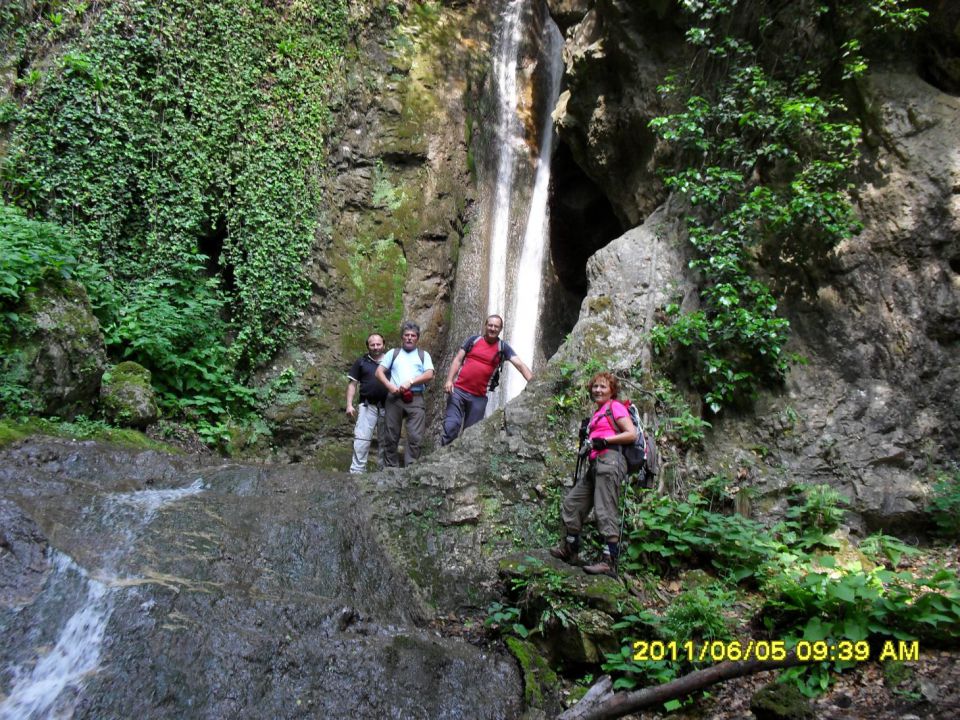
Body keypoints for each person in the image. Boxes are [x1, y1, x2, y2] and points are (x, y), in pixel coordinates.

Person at [550, 371, 637, 577]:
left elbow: (631, 434)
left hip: (610, 461)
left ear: (612, 390)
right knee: (573, 503)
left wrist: (605, 441)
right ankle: (570, 549)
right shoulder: (598, 412)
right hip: (596, 464)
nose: (598, 390)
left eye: (603, 387)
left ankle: (609, 561)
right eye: (595, 386)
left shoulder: (615, 407)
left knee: (605, 509)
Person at [441, 314, 533, 446]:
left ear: (500, 329)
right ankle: (442, 461)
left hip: (478, 398)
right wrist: (449, 380)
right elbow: (458, 359)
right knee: (450, 427)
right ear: (485, 326)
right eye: (490, 325)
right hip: (458, 392)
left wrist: (535, 383)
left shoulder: (503, 348)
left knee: (470, 436)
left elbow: (519, 365)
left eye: (496, 326)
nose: (493, 328)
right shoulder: (473, 340)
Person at [375, 321, 435, 467]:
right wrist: (390, 386)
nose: (409, 338)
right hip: (394, 398)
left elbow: (429, 374)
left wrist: (411, 382)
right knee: (390, 435)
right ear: (402, 337)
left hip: (415, 398)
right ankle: (390, 469)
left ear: (417, 338)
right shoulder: (393, 353)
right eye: (406, 335)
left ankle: (411, 468)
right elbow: (378, 372)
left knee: (415, 436)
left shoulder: (423, 355)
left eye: (412, 336)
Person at [345, 333, 389, 474]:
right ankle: (357, 473)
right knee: (361, 440)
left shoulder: (391, 361)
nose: (376, 347)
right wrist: (349, 404)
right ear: (368, 346)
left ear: (383, 344)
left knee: (386, 441)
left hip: (388, 406)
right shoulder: (361, 362)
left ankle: (384, 474)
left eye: (378, 344)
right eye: (372, 345)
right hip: (366, 406)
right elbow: (353, 384)